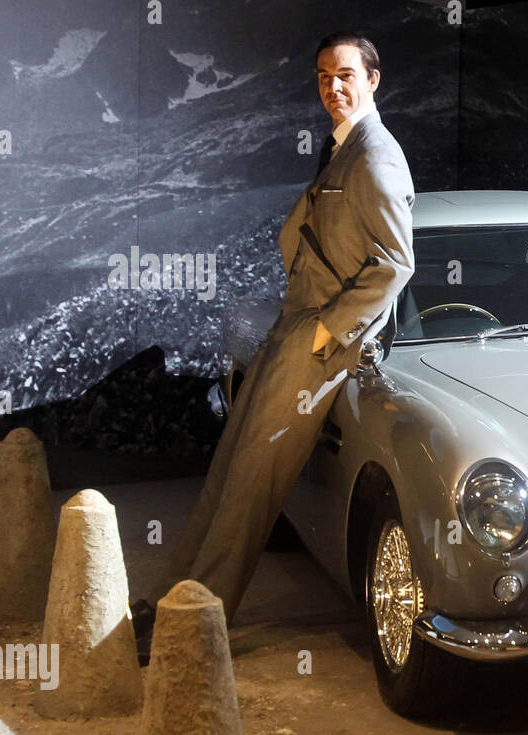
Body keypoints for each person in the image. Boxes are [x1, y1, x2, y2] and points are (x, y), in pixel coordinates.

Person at [134, 31, 415, 654]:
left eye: (345, 75)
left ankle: (193, 627)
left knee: (251, 488)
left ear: (373, 79)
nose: (332, 87)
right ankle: (175, 601)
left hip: (318, 343)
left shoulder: (377, 156)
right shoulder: (346, 146)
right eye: (322, 77)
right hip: (294, 327)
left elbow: (395, 264)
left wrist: (325, 331)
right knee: (231, 469)